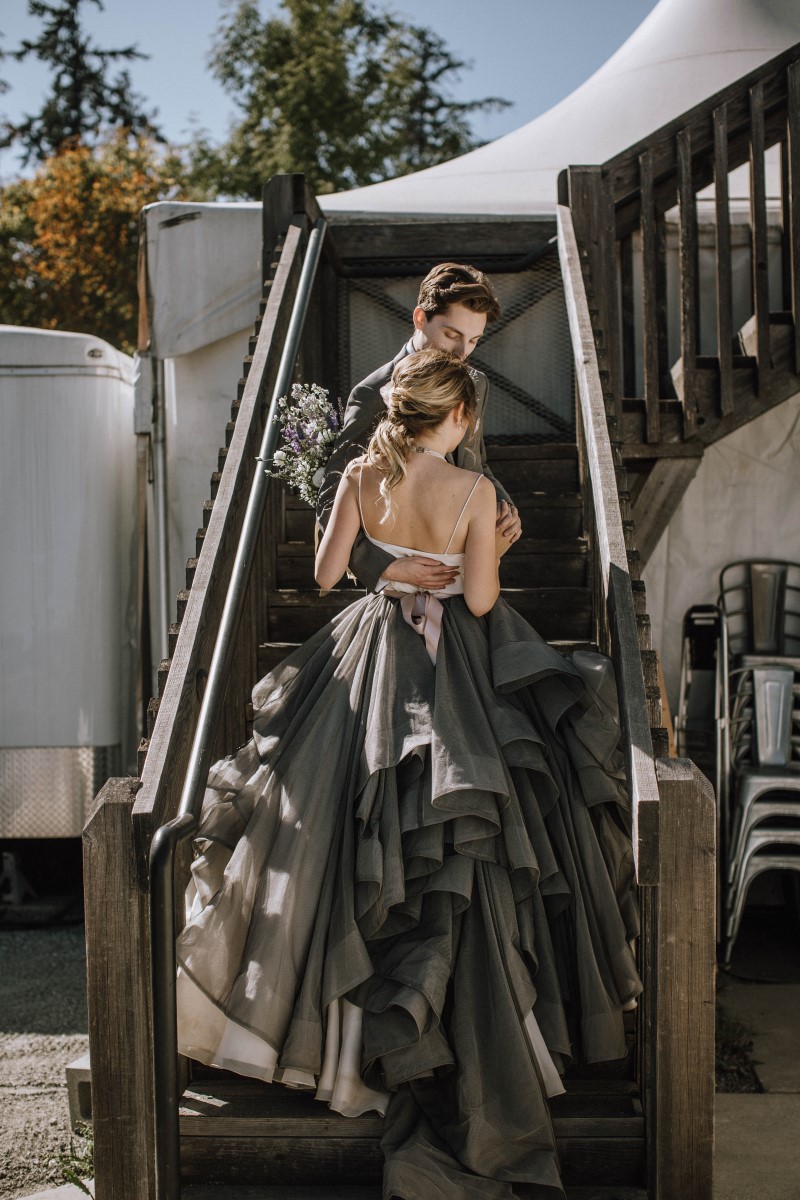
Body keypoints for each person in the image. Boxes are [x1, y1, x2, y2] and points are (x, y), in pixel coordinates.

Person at [175, 349, 642, 1199]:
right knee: (452, 850)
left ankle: (344, 1050)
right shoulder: (471, 490)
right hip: (451, 679)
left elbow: (324, 577)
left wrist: (385, 572)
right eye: (471, 417)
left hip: (365, 658)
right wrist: (487, 543)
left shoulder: (359, 472)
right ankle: (459, 1037)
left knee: (341, 831)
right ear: (457, 416)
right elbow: (481, 605)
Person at [316, 261, 522, 594]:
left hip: (462, 570)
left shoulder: (476, 383)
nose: (461, 352)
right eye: (451, 335)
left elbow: (475, 462)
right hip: (398, 582)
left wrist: (503, 505)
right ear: (419, 318)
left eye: (473, 340)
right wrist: (386, 565)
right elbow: (332, 493)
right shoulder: (374, 391)